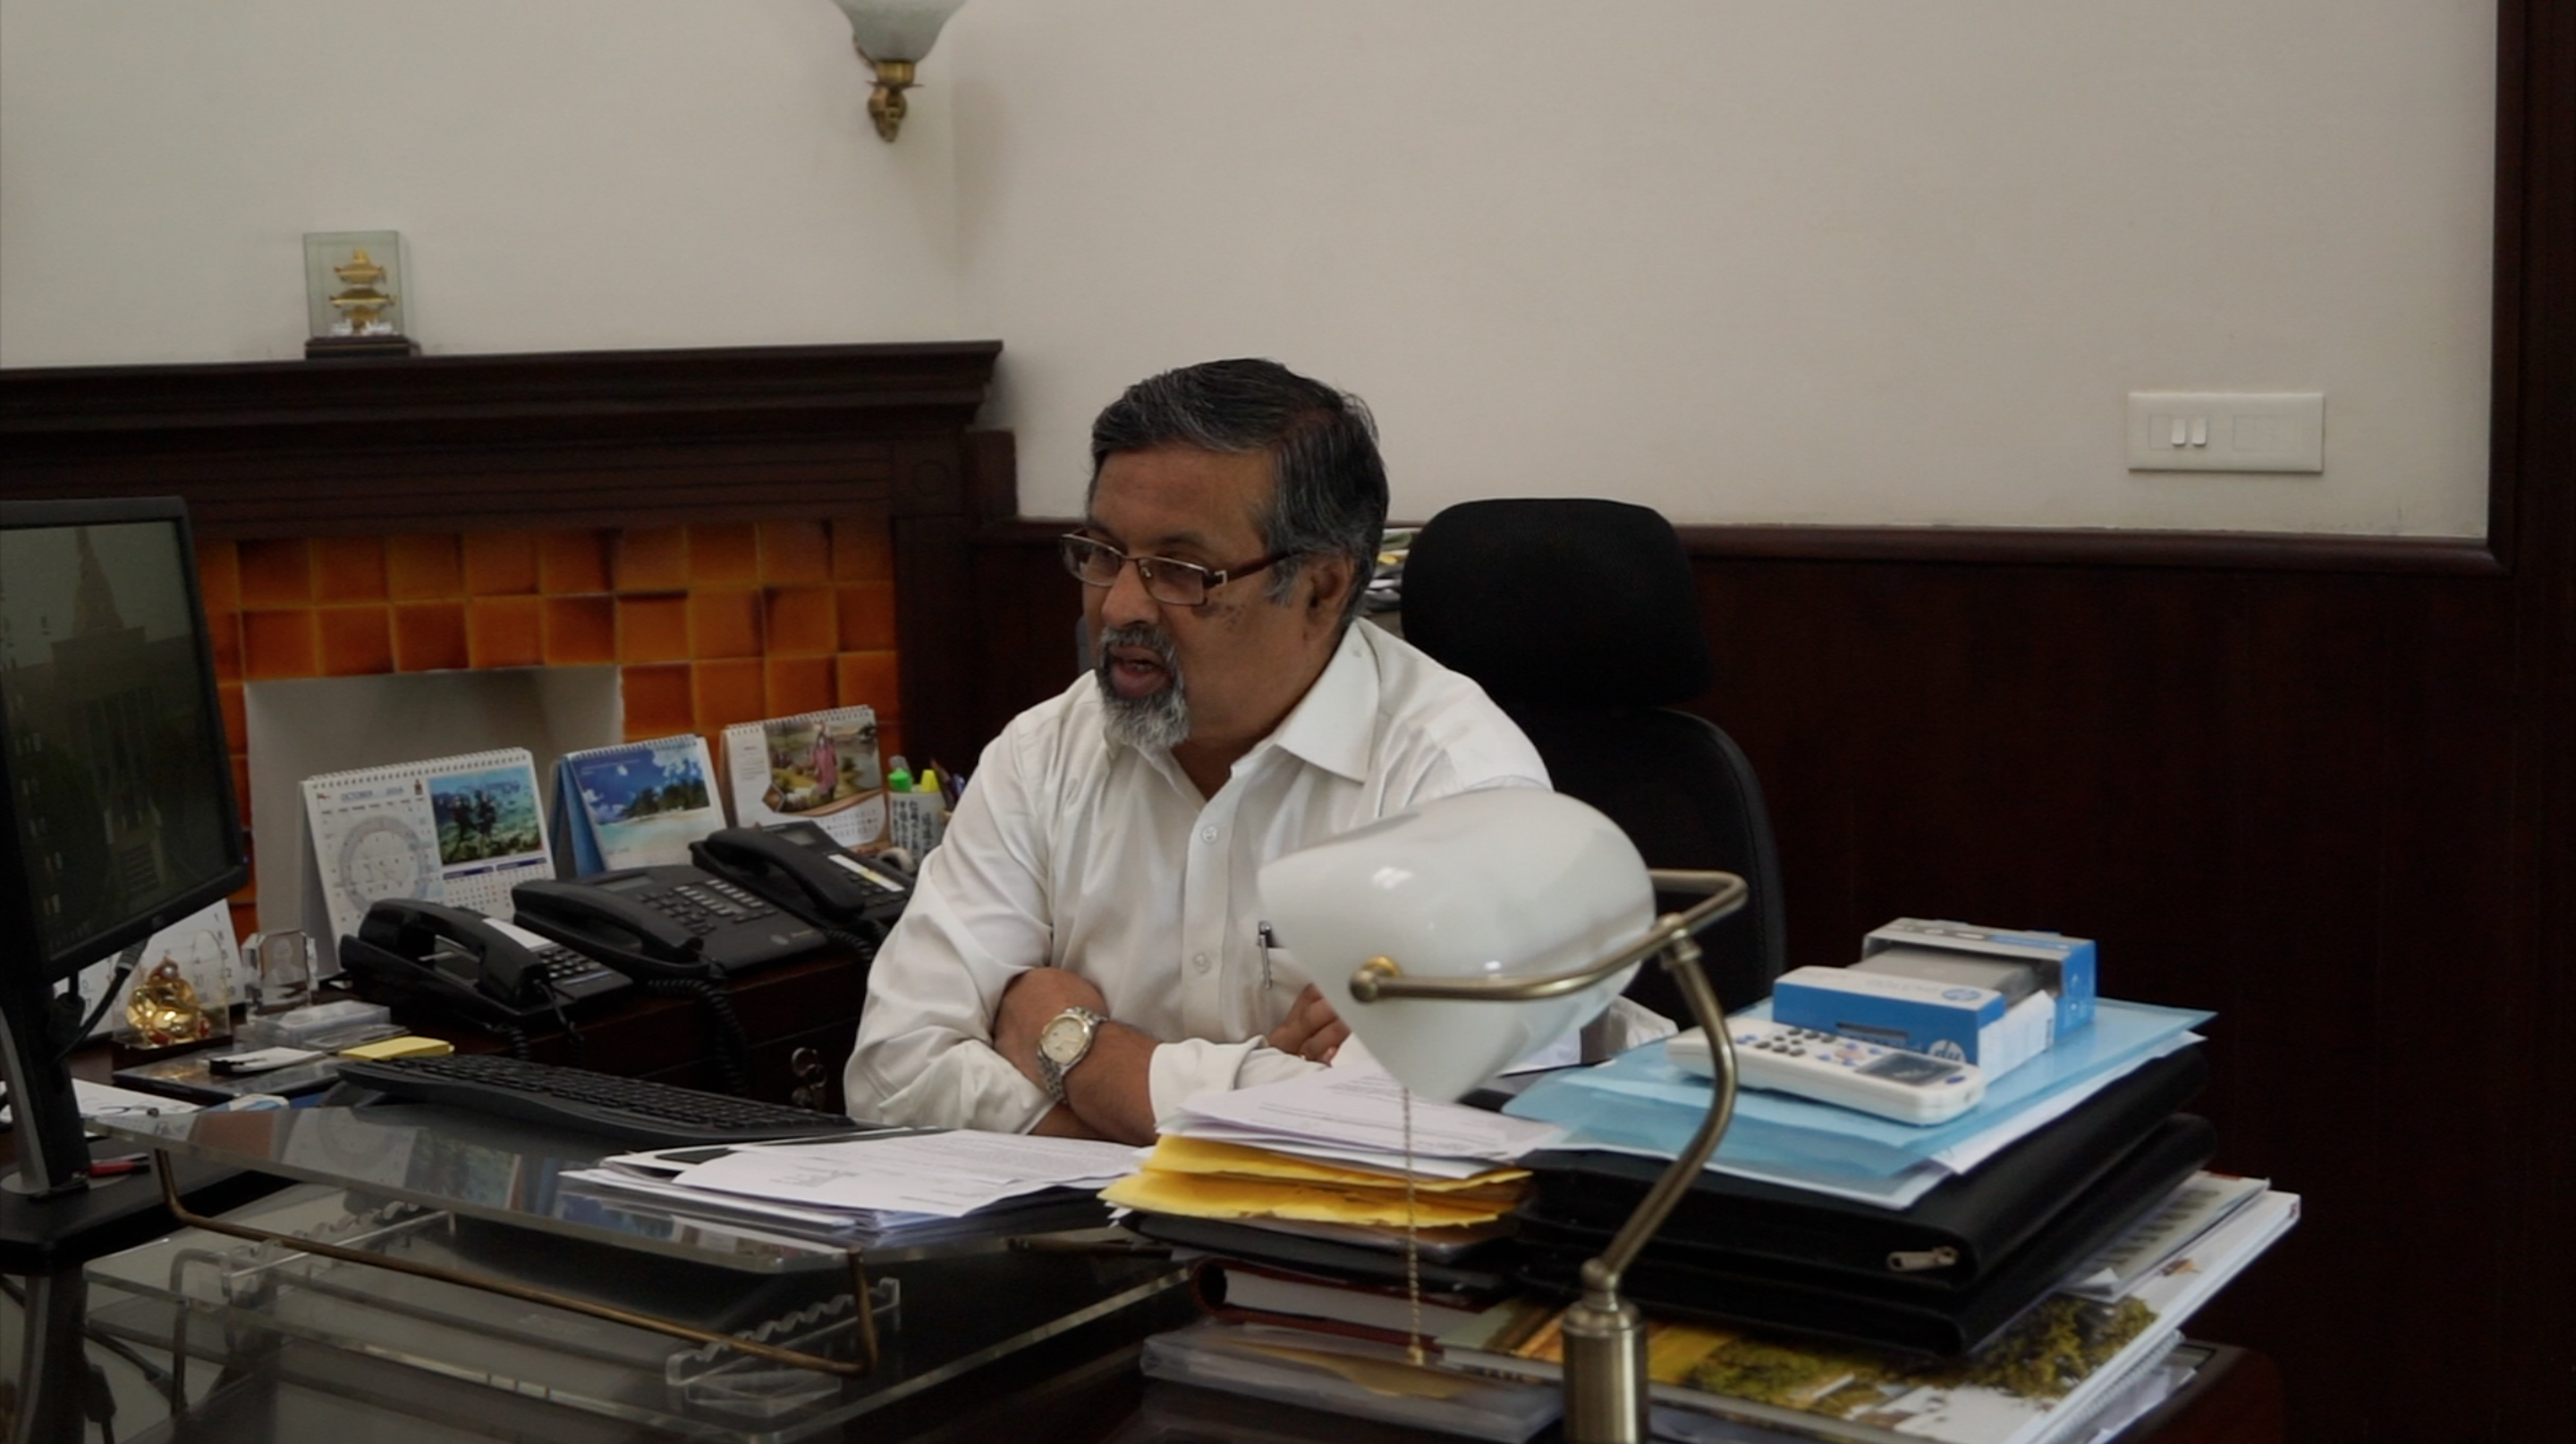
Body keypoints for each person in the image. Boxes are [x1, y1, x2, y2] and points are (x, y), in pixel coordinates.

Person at [841, 358, 1555, 1143]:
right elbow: (891, 1075)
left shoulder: (1459, 788)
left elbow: (1418, 1131)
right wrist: (1237, 1107)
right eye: (1102, 553)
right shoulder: (1044, 752)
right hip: (1065, 1223)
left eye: (1180, 571)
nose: (1120, 606)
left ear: (1320, 589)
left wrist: (1068, 1047)